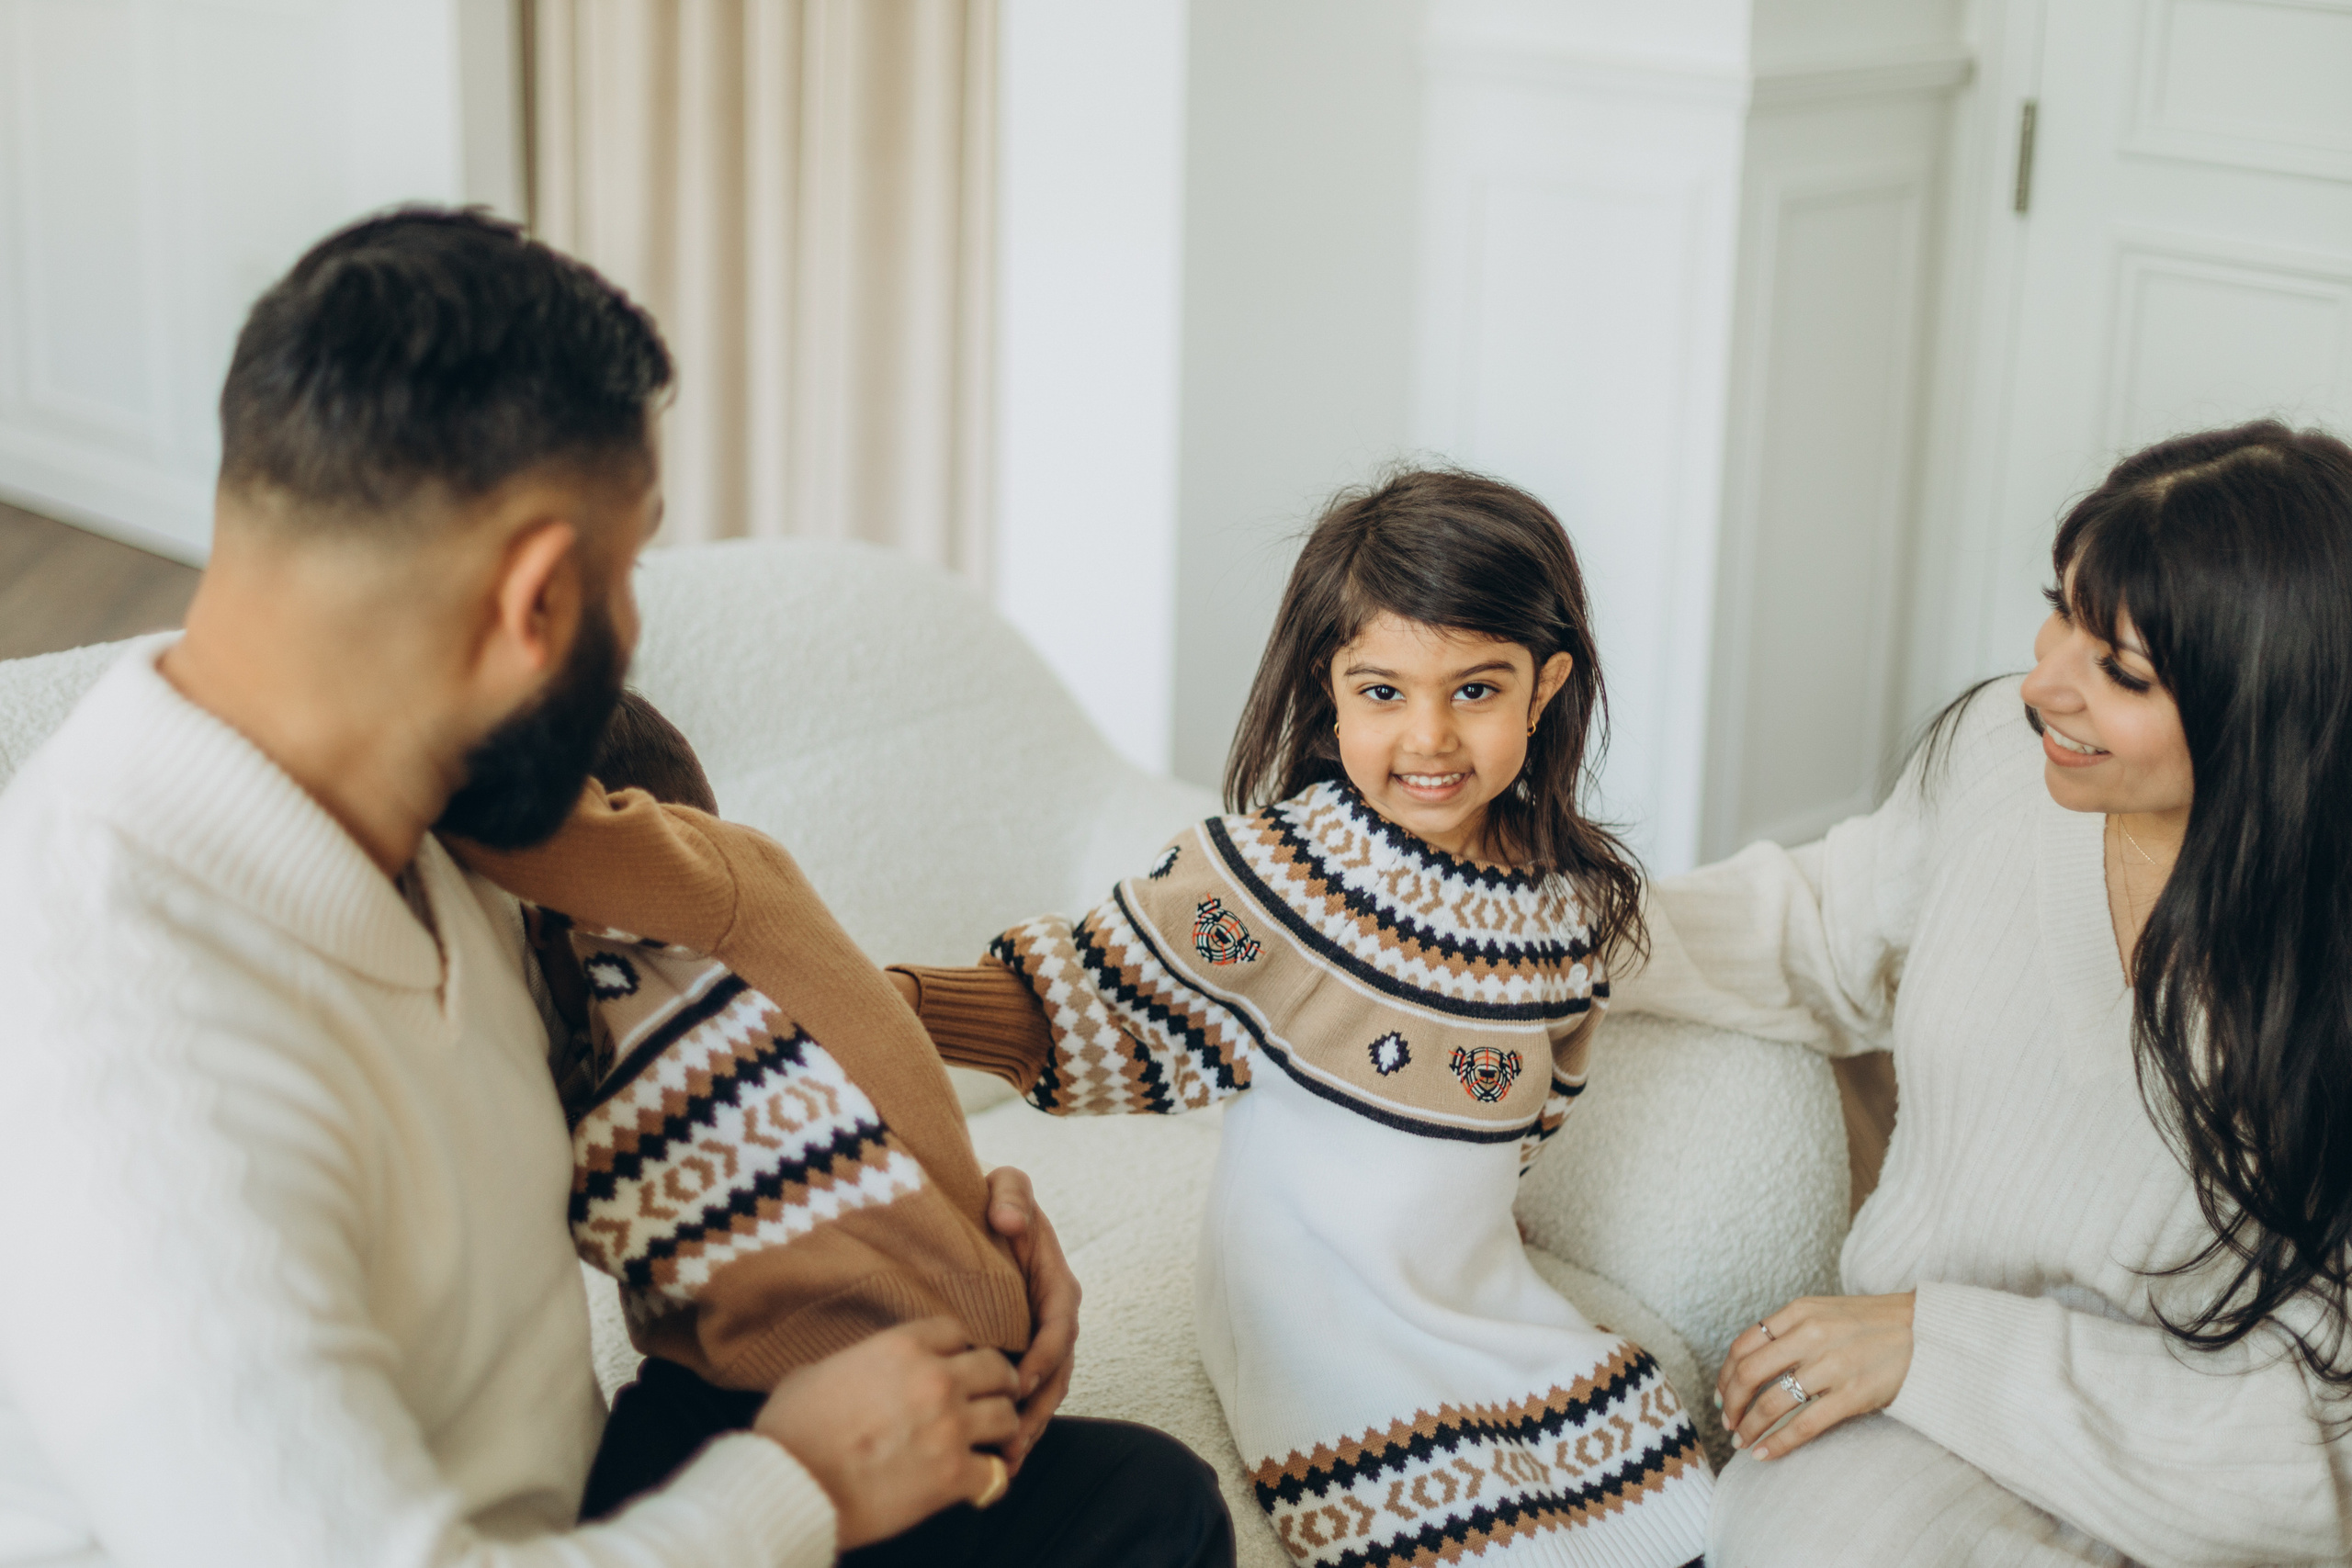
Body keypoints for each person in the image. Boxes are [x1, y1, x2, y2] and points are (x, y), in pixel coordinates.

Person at [0, 207, 1180, 1568]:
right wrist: (803, 1480)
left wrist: (925, 1239)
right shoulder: (115, 1038)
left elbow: (682, 1089)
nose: (631, 633)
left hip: (593, 1520)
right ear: (540, 601)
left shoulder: (439, 819)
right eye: (626, 576)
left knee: (1139, 1509)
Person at [889, 471, 1713, 1567]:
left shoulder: (1568, 904)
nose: (1428, 737)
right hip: (1316, 1308)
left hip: (1471, 1284)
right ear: (1328, 688)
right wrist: (895, 1003)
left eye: (1475, 690)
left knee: (1662, 1496)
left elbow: (1539, 1101)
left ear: (1545, 687)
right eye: (1382, 691)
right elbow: (1096, 998)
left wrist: (1478, 1213)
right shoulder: (1275, 877)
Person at [1619, 422, 2352, 1565]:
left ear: (2270, 721)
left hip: (2193, 1498)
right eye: (2058, 608)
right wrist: (1551, 934)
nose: (2041, 682)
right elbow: (1824, 928)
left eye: (2123, 671)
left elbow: (2312, 1463)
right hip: (1906, 1430)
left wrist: (1938, 1345)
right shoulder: (1999, 768)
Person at [452, 691, 1232, 1565]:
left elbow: (514, 818)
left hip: (884, 1363)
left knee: (1164, 1495)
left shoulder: (717, 874)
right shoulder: (607, 1060)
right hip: (757, 1380)